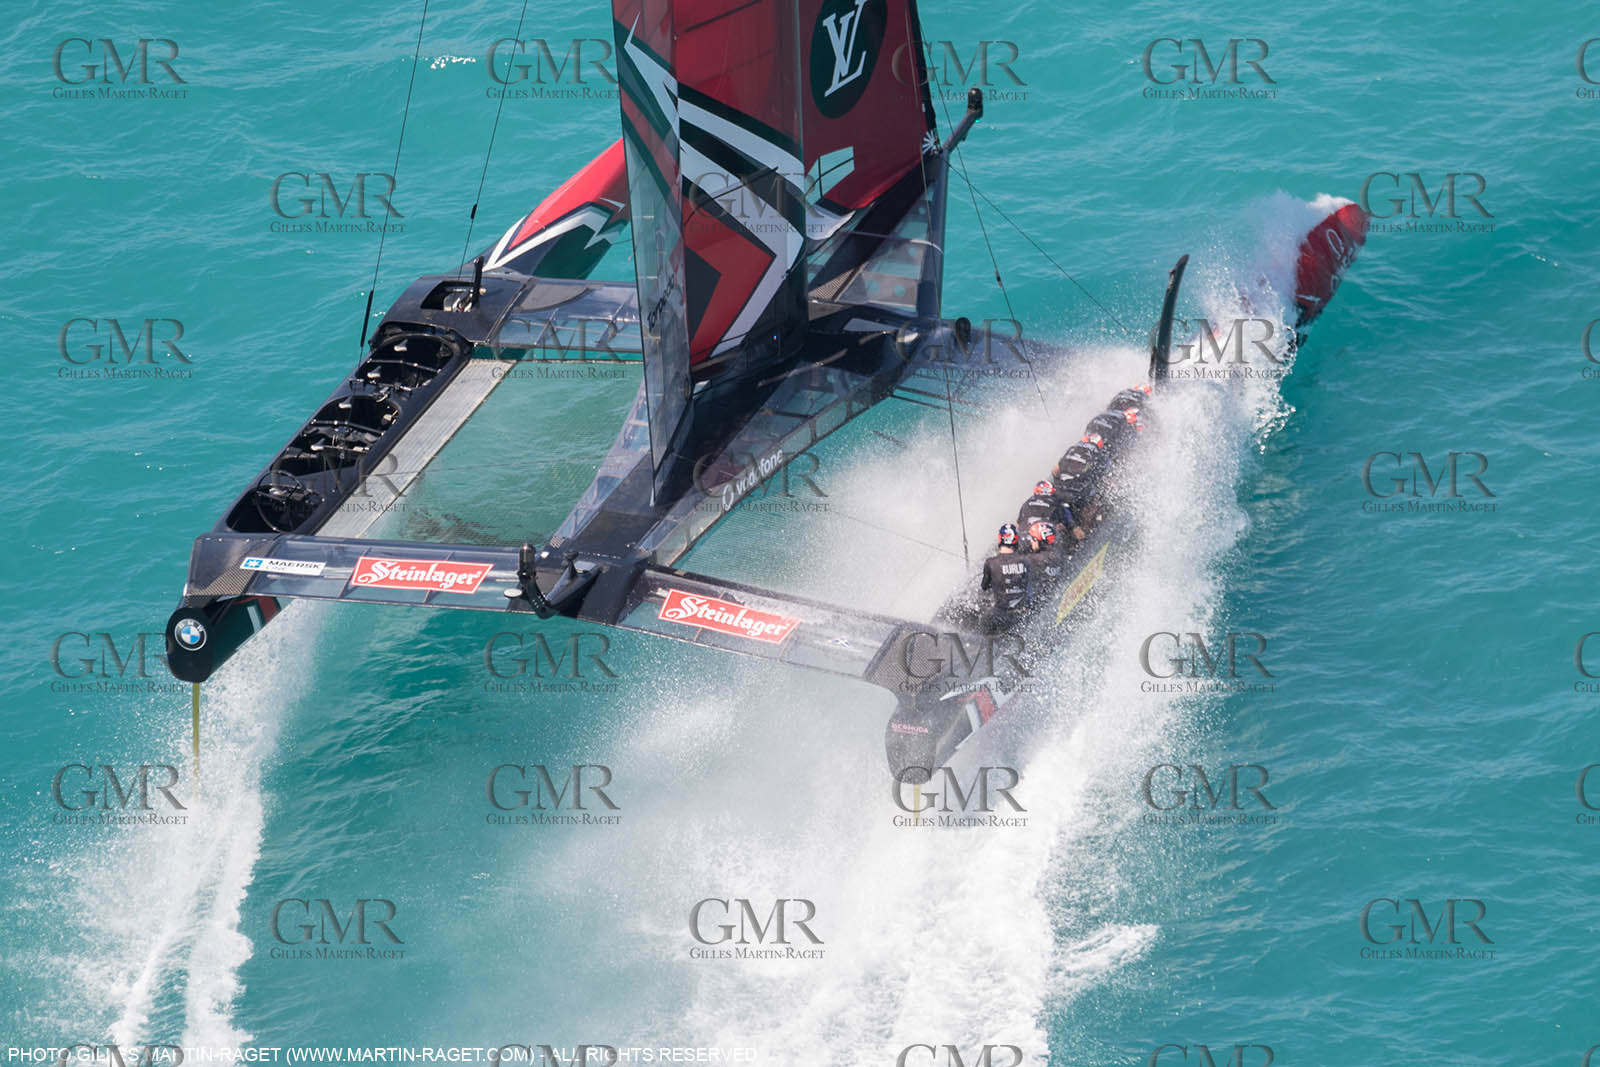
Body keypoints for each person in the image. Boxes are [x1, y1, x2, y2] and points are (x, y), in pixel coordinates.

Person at [980, 523, 1031, 630]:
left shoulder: (991, 563)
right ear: (1016, 541)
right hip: (1022, 614)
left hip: (1000, 614)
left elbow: (984, 587)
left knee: (983, 617)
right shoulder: (1026, 561)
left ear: (1000, 539)